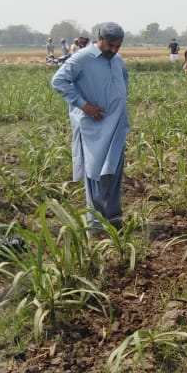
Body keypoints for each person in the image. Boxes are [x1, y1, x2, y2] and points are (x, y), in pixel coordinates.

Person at [51, 22, 130, 232]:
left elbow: (124, 79)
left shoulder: (117, 60)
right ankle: (96, 225)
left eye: (118, 46)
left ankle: (114, 218)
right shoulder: (82, 58)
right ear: (100, 38)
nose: (114, 50)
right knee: (96, 175)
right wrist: (84, 105)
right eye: (111, 45)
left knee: (114, 173)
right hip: (95, 127)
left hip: (117, 125)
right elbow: (58, 81)